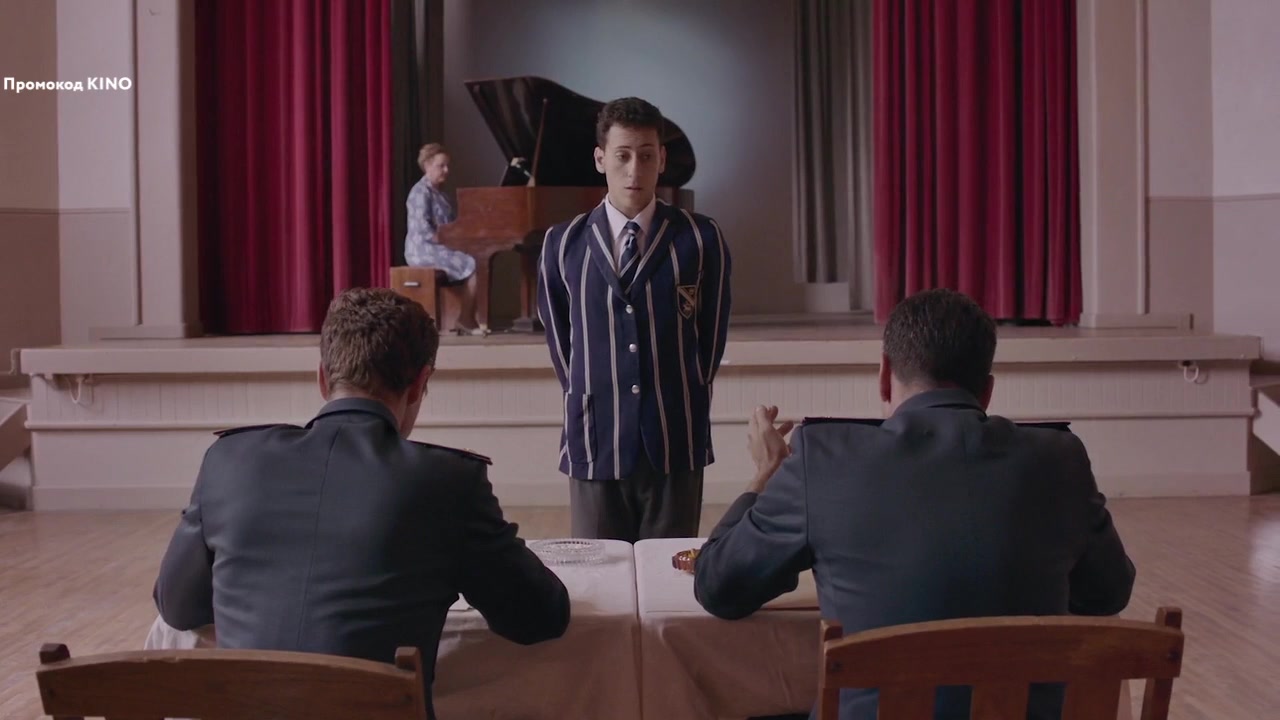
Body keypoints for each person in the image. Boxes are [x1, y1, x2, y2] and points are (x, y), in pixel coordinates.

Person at [693, 288, 1135, 720]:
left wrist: (765, 474)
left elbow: (720, 588)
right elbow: (1108, 594)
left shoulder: (824, 459)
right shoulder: (1060, 458)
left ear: (885, 375)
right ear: (987, 391)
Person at [153, 287, 570, 720]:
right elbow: (539, 617)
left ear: (322, 378)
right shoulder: (447, 481)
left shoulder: (228, 461)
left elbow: (178, 607)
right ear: (419, 384)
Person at [537, 97, 732, 542]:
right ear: (600, 159)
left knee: (667, 573)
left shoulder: (701, 238)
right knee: (598, 572)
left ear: (662, 159)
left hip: (674, 437)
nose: (634, 170)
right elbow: (563, 347)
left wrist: (682, 392)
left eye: (646, 156)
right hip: (595, 439)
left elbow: (710, 340)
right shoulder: (562, 244)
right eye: (622, 156)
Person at [405, 142, 487, 335]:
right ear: (427, 165)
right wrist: (450, 242)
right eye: (441, 166)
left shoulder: (441, 195)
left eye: (447, 165)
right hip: (422, 250)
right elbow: (423, 230)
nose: (446, 170)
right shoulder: (420, 192)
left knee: (479, 259)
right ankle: (465, 319)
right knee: (473, 263)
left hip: (438, 247)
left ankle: (468, 317)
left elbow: (451, 226)